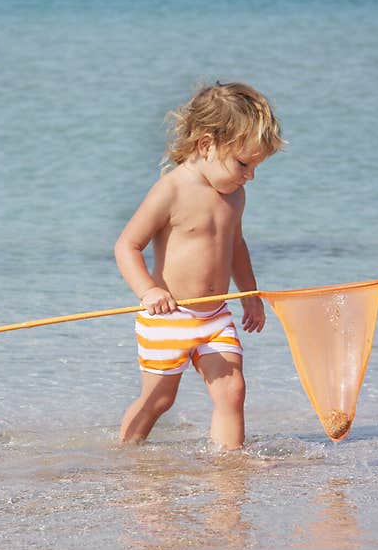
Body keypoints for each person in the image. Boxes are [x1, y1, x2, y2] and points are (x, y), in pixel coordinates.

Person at [114, 81, 286, 449]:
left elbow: (236, 246)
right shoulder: (171, 190)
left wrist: (250, 296)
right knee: (159, 400)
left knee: (232, 390)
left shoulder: (235, 195)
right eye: (243, 163)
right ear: (207, 145)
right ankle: (125, 455)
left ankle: (229, 466)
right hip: (168, 317)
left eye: (255, 167)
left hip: (215, 317)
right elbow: (127, 246)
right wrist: (149, 290)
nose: (249, 176)